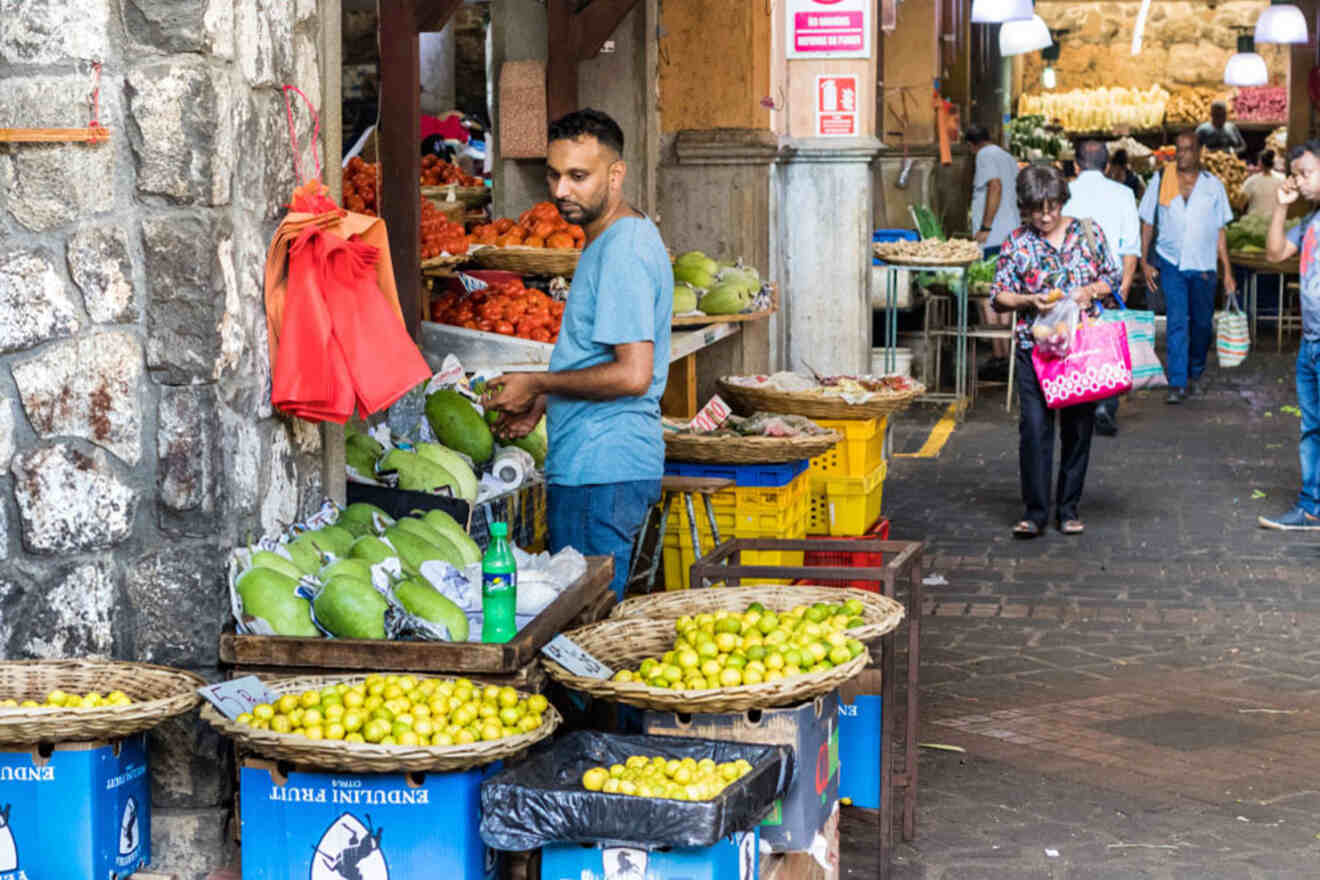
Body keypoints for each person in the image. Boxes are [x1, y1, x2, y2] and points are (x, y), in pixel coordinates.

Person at [482, 109, 673, 597]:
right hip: (601, 467)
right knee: (587, 620)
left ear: (616, 174)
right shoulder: (612, 239)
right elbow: (595, 356)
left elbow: (633, 374)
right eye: (554, 174)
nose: (561, 190)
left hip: (601, 472)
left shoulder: (622, 251)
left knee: (584, 627)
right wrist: (543, 403)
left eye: (578, 177)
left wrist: (540, 383)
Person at [990, 164, 1123, 538]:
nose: (1045, 216)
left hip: (1080, 350)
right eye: (1037, 209)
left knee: (1078, 431)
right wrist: (1027, 299)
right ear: (1025, 208)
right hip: (1036, 352)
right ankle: (1035, 512)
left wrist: (1089, 292)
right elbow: (998, 295)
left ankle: (1068, 508)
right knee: (1034, 430)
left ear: (1063, 202)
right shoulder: (1016, 242)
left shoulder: (1088, 232)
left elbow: (1111, 278)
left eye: (1051, 207)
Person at [1139, 131, 1237, 404]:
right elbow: (1147, 224)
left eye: (1188, 149)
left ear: (1199, 152)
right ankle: (1178, 382)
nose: (1182, 155)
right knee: (1177, 321)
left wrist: (1227, 271)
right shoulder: (1161, 180)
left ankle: (1196, 370)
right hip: (1171, 263)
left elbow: (1220, 231)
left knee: (1203, 324)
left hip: (1204, 265)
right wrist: (1144, 261)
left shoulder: (1212, 186)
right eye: (1178, 149)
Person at [1259, 140, 1320, 530]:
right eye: (1296, 174)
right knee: (1311, 428)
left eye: (1307, 173)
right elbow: (1275, 252)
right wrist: (1281, 204)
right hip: (1311, 343)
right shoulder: (1311, 220)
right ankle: (1312, 505)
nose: (1300, 181)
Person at [1063, 140, 1141, 436]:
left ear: (1076, 165)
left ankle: (1074, 399)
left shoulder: (1064, 192)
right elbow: (1130, 247)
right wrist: (1123, 285)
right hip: (1108, 282)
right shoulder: (1124, 194)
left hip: (1072, 283)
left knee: (1072, 340)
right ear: (1107, 167)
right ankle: (1104, 404)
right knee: (1107, 341)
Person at [967, 125, 1020, 370]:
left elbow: (995, 186)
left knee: (989, 292)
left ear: (971, 145)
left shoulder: (984, 155)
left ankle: (1001, 355)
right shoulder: (1006, 156)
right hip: (1010, 233)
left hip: (994, 236)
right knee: (1005, 289)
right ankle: (1005, 354)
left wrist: (986, 227)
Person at [1243, 149, 1286, 218]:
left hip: (1254, 221)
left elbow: (1242, 200)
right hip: (1274, 219)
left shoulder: (1251, 181)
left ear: (1260, 163)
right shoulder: (1282, 179)